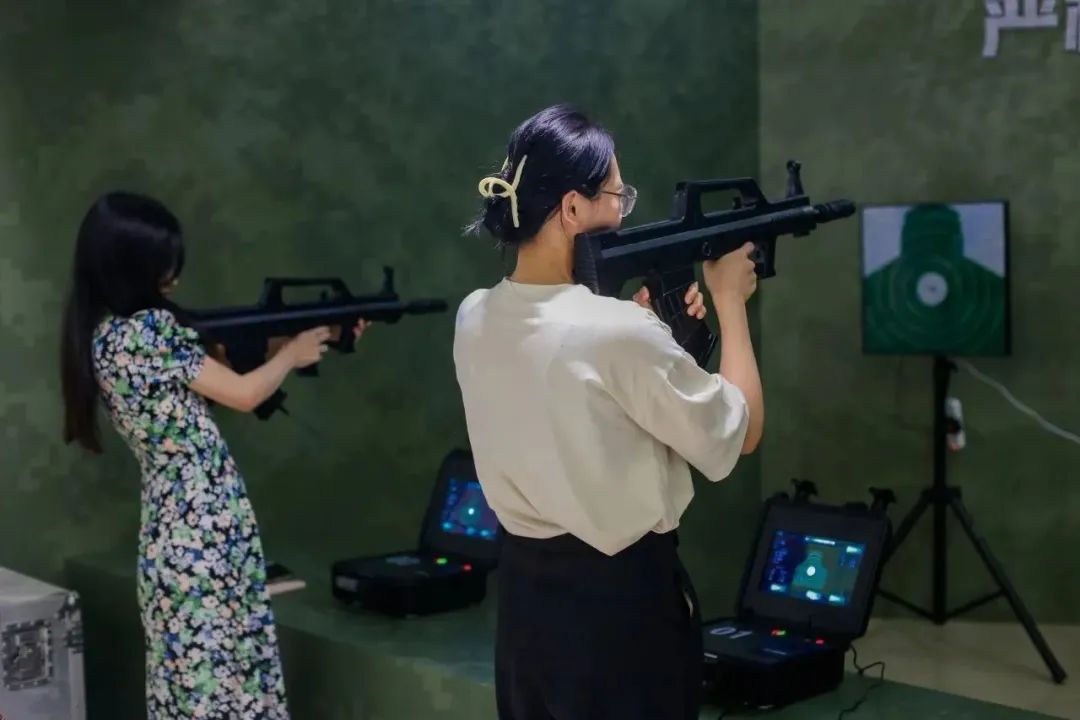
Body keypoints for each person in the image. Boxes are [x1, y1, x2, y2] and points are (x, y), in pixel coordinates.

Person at [453, 104, 763, 720]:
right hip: (622, 611)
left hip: (525, 605)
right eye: (618, 195)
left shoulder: (475, 314)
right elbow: (743, 431)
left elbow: (585, 399)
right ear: (572, 208)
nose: (624, 211)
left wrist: (649, 335)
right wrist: (730, 302)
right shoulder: (617, 331)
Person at [59, 191, 369, 719]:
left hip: (173, 528)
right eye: (163, 265)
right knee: (227, 674)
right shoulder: (151, 331)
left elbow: (218, 375)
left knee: (194, 680)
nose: (173, 277)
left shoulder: (106, 336)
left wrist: (314, 338)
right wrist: (293, 355)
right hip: (203, 527)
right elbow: (245, 394)